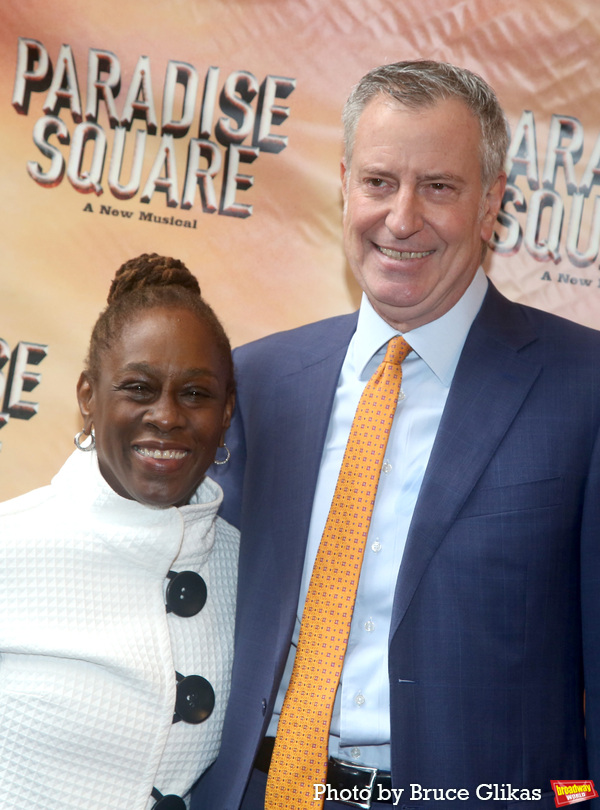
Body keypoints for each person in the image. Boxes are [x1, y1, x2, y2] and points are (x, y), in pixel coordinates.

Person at [192, 61, 600, 810]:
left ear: (492, 202)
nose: (402, 217)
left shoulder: (585, 390)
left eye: (439, 187)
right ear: (345, 185)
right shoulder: (255, 381)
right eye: (380, 182)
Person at [0, 254, 239, 810]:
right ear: (88, 395)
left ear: (227, 411)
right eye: (138, 387)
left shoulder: (251, 573)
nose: (167, 416)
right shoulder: (10, 545)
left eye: (197, 394)